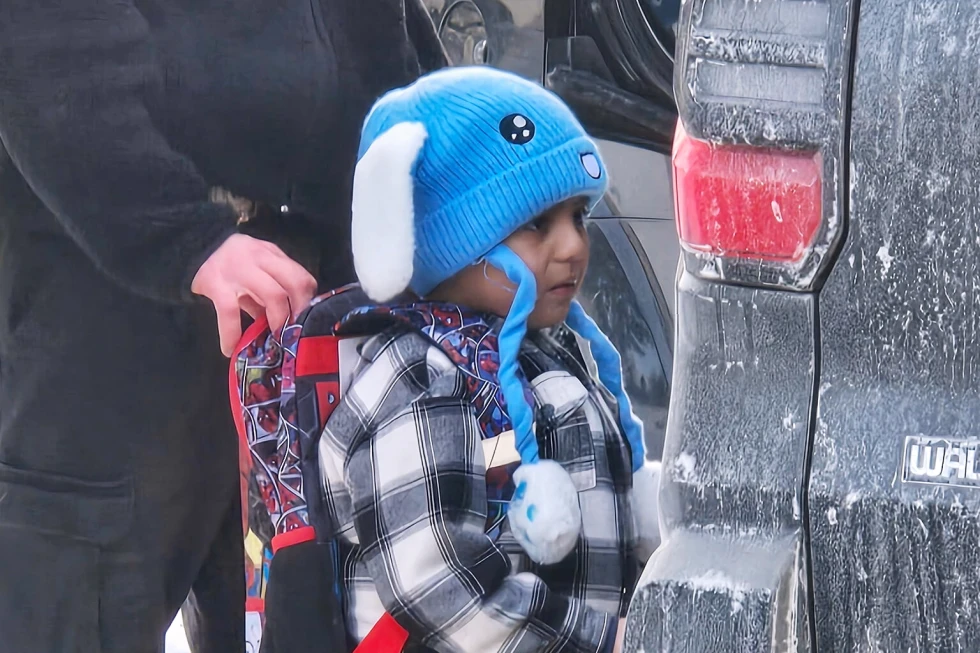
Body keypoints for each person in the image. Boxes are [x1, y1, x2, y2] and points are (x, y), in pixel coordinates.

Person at [0, 2, 444, 651]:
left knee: (303, 617)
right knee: (83, 609)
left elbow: (395, 59)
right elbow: (49, 65)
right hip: (113, 314)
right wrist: (182, 237)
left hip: (315, 313)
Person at [311, 66, 661, 652]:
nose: (573, 246)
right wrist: (601, 642)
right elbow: (435, 582)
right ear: (456, 243)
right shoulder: (420, 376)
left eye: (578, 216)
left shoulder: (545, 353)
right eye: (535, 224)